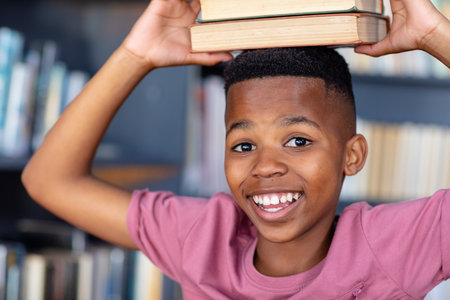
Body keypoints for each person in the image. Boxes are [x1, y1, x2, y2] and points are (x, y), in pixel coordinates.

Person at [21, 0, 450, 298]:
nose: (265, 166)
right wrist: (136, 55)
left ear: (351, 156)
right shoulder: (204, 238)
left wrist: (434, 34)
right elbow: (48, 180)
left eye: (298, 141)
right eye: (243, 144)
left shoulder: (399, 244)